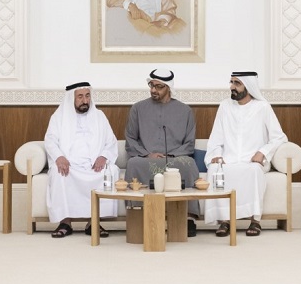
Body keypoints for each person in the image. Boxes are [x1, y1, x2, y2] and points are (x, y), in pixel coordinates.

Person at [204, 71, 287, 237]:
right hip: (228, 159)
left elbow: (279, 137)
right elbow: (216, 138)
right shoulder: (225, 106)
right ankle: (224, 220)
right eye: (231, 82)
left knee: (254, 170)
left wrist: (262, 152)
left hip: (252, 161)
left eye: (237, 83)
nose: (232, 87)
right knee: (215, 170)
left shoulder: (262, 107)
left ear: (248, 86)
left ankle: (255, 220)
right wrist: (217, 154)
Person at [125, 68, 200, 237]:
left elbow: (189, 143)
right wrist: (147, 154)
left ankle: (187, 218)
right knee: (133, 163)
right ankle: (137, 216)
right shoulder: (138, 108)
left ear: (168, 87)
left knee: (189, 164)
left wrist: (171, 155)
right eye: (151, 85)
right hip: (146, 158)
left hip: (175, 158)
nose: (153, 90)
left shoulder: (185, 111)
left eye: (158, 87)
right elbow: (130, 139)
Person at [45, 82, 120, 239]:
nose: (85, 101)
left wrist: (103, 156)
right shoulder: (58, 117)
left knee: (110, 171)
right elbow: (50, 140)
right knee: (59, 174)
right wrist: (59, 157)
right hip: (70, 165)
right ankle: (65, 223)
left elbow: (111, 141)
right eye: (80, 97)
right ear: (71, 98)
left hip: (94, 166)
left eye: (87, 96)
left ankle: (94, 222)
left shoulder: (99, 116)